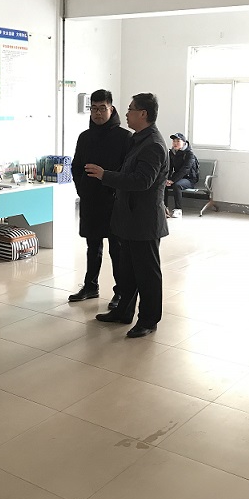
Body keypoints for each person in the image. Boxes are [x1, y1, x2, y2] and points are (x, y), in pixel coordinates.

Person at [85, 93, 169, 338]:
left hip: (144, 221)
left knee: (147, 274)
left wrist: (105, 175)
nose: (127, 113)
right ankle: (123, 311)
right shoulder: (138, 139)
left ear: (143, 113)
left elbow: (142, 181)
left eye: (131, 109)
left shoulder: (153, 144)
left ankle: (149, 320)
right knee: (128, 271)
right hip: (130, 219)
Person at [69, 89, 132, 307]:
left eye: (102, 108)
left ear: (111, 109)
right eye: (93, 108)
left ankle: (121, 292)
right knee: (92, 246)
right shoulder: (85, 137)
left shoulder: (125, 137)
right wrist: (82, 189)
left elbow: (127, 170)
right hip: (91, 200)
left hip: (114, 201)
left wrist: (114, 188)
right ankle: (90, 286)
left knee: (117, 249)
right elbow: (76, 166)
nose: (97, 113)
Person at [164, 133, 198, 218]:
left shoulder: (189, 154)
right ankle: (164, 208)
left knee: (177, 185)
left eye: (178, 141)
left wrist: (173, 180)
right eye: (174, 141)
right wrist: (166, 179)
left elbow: (185, 169)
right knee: (163, 184)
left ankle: (178, 210)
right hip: (177, 177)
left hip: (189, 179)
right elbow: (169, 168)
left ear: (184, 143)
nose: (175, 143)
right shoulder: (172, 153)